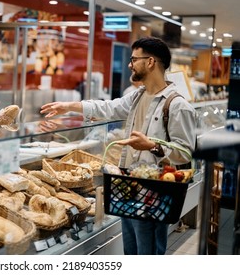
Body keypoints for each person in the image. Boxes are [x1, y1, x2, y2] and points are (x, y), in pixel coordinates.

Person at [40, 36, 197, 255]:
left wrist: (151, 145)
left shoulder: (177, 105)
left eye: (134, 59)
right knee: (130, 251)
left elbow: (185, 152)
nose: (129, 64)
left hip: (154, 195)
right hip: (128, 189)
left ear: (150, 62)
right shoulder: (137, 96)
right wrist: (69, 106)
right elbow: (108, 108)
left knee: (148, 254)